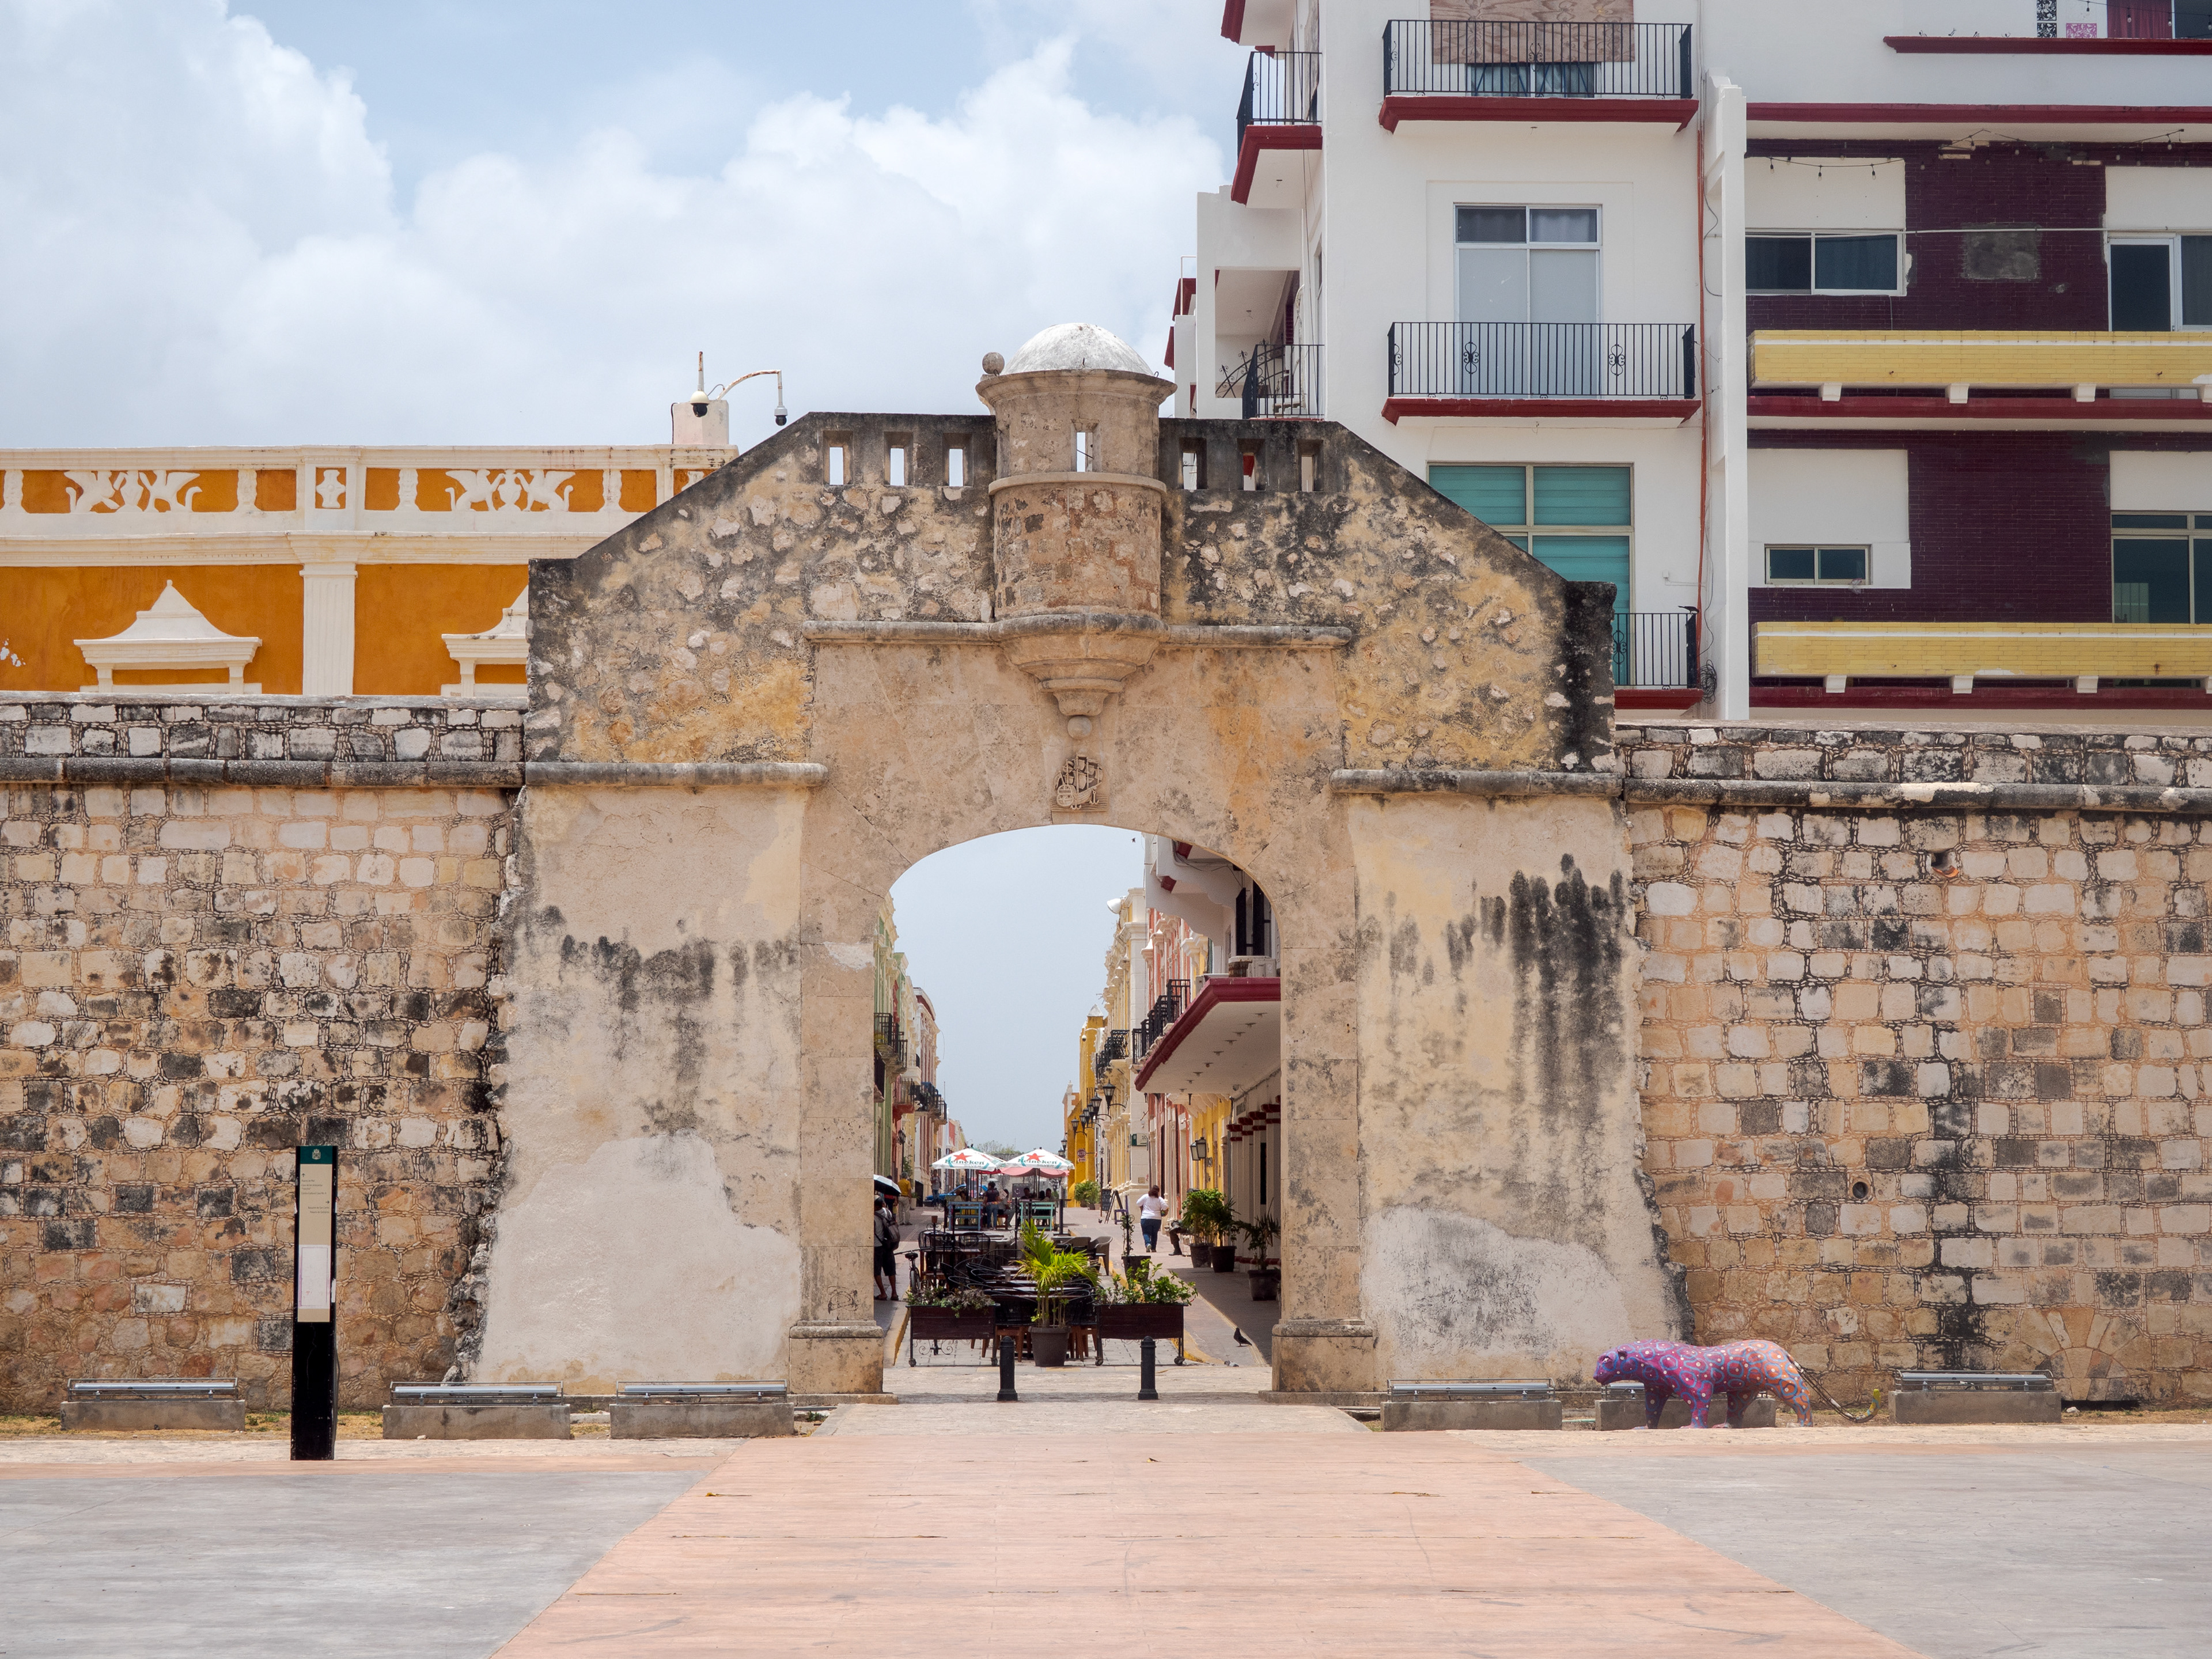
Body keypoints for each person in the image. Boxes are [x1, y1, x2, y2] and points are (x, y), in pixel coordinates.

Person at [872, 1196, 899, 1301]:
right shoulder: (887, 1212)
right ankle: (894, 1293)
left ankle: (883, 1293)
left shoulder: (873, 1218)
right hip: (889, 1244)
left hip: (877, 1246)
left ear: (876, 1206)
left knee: (877, 1271)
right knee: (891, 1270)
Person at [1138, 1185, 1165, 1254]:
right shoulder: (1160, 1199)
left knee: (1146, 1232)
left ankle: (1148, 1244)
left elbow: (1138, 1203)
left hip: (1146, 1218)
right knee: (1154, 1234)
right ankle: (1153, 1248)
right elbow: (1165, 1207)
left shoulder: (1146, 1197)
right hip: (1157, 1219)